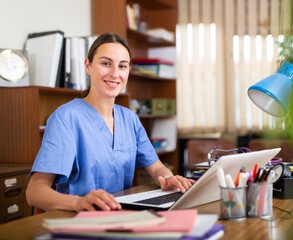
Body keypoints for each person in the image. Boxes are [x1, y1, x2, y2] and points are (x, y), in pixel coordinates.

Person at [26, 33, 195, 212]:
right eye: (106, 63)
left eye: (122, 66)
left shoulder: (130, 119)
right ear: (88, 66)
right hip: (78, 219)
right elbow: (34, 192)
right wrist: (77, 203)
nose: (115, 73)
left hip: (119, 215)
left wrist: (168, 179)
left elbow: (157, 168)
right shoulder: (66, 118)